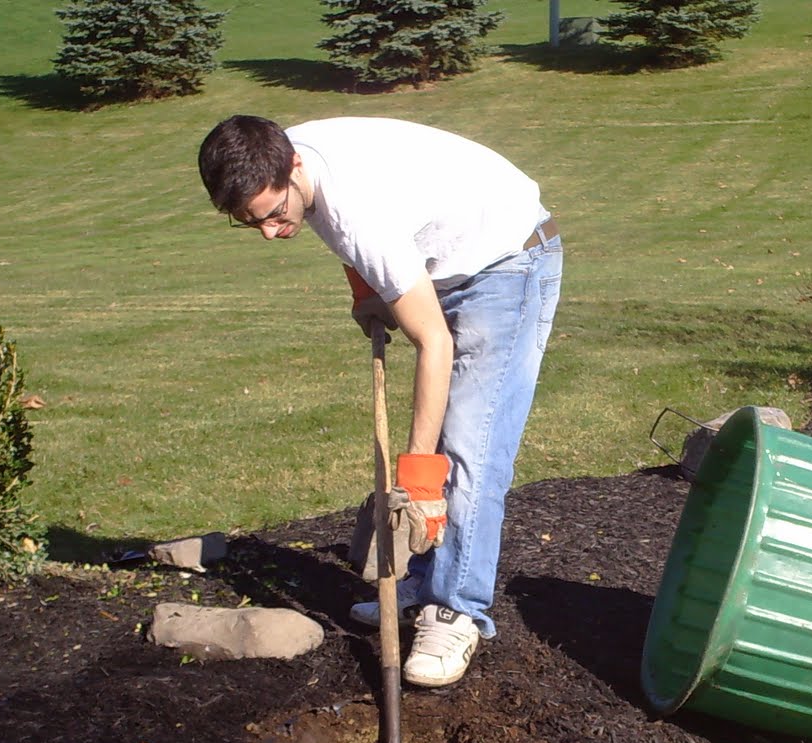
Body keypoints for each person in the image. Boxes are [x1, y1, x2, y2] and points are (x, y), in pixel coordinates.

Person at [197, 115, 562, 688]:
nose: (269, 232)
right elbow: (340, 233)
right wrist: (367, 291)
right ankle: (423, 582)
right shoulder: (277, 156)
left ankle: (456, 610)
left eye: (273, 215)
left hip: (506, 263)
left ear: (294, 167)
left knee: (470, 447)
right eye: (250, 224)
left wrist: (416, 483)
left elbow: (432, 342)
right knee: (446, 437)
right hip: (444, 260)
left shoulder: (352, 205)